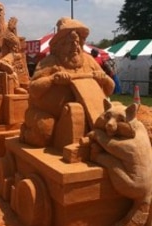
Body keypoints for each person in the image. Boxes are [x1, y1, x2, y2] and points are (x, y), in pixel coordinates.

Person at [20, 17, 115, 147]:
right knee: (45, 130)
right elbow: (34, 89)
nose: (75, 46)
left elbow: (110, 89)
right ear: (59, 45)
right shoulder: (49, 62)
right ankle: (26, 133)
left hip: (86, 111)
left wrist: (104, 79)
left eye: (77, 42)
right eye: (69, 43)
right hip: (47, 114)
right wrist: (52, 79)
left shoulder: (89, 61)